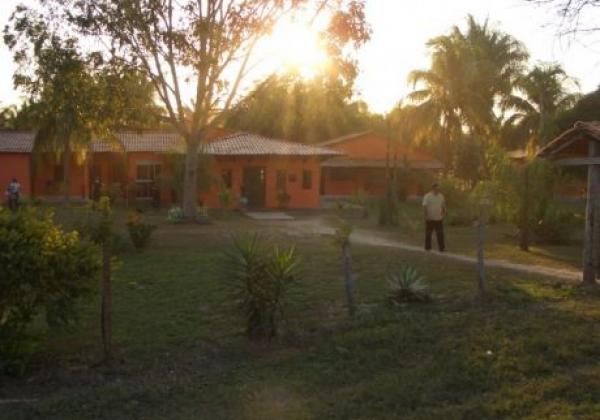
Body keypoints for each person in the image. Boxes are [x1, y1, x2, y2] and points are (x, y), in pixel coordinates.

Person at [422, 182, 446, 252]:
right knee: (428, 234)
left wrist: (444, 213)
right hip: (430, 218)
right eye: (436, 189)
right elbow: (424, 206)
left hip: (438, 218)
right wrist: (426, 216)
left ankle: (442, 248)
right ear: (433, 189)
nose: (437, 190)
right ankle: (427, 248)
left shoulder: (441, 196)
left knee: (440, 234)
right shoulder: (427, 196)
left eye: (438, 189)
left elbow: (443, 206)